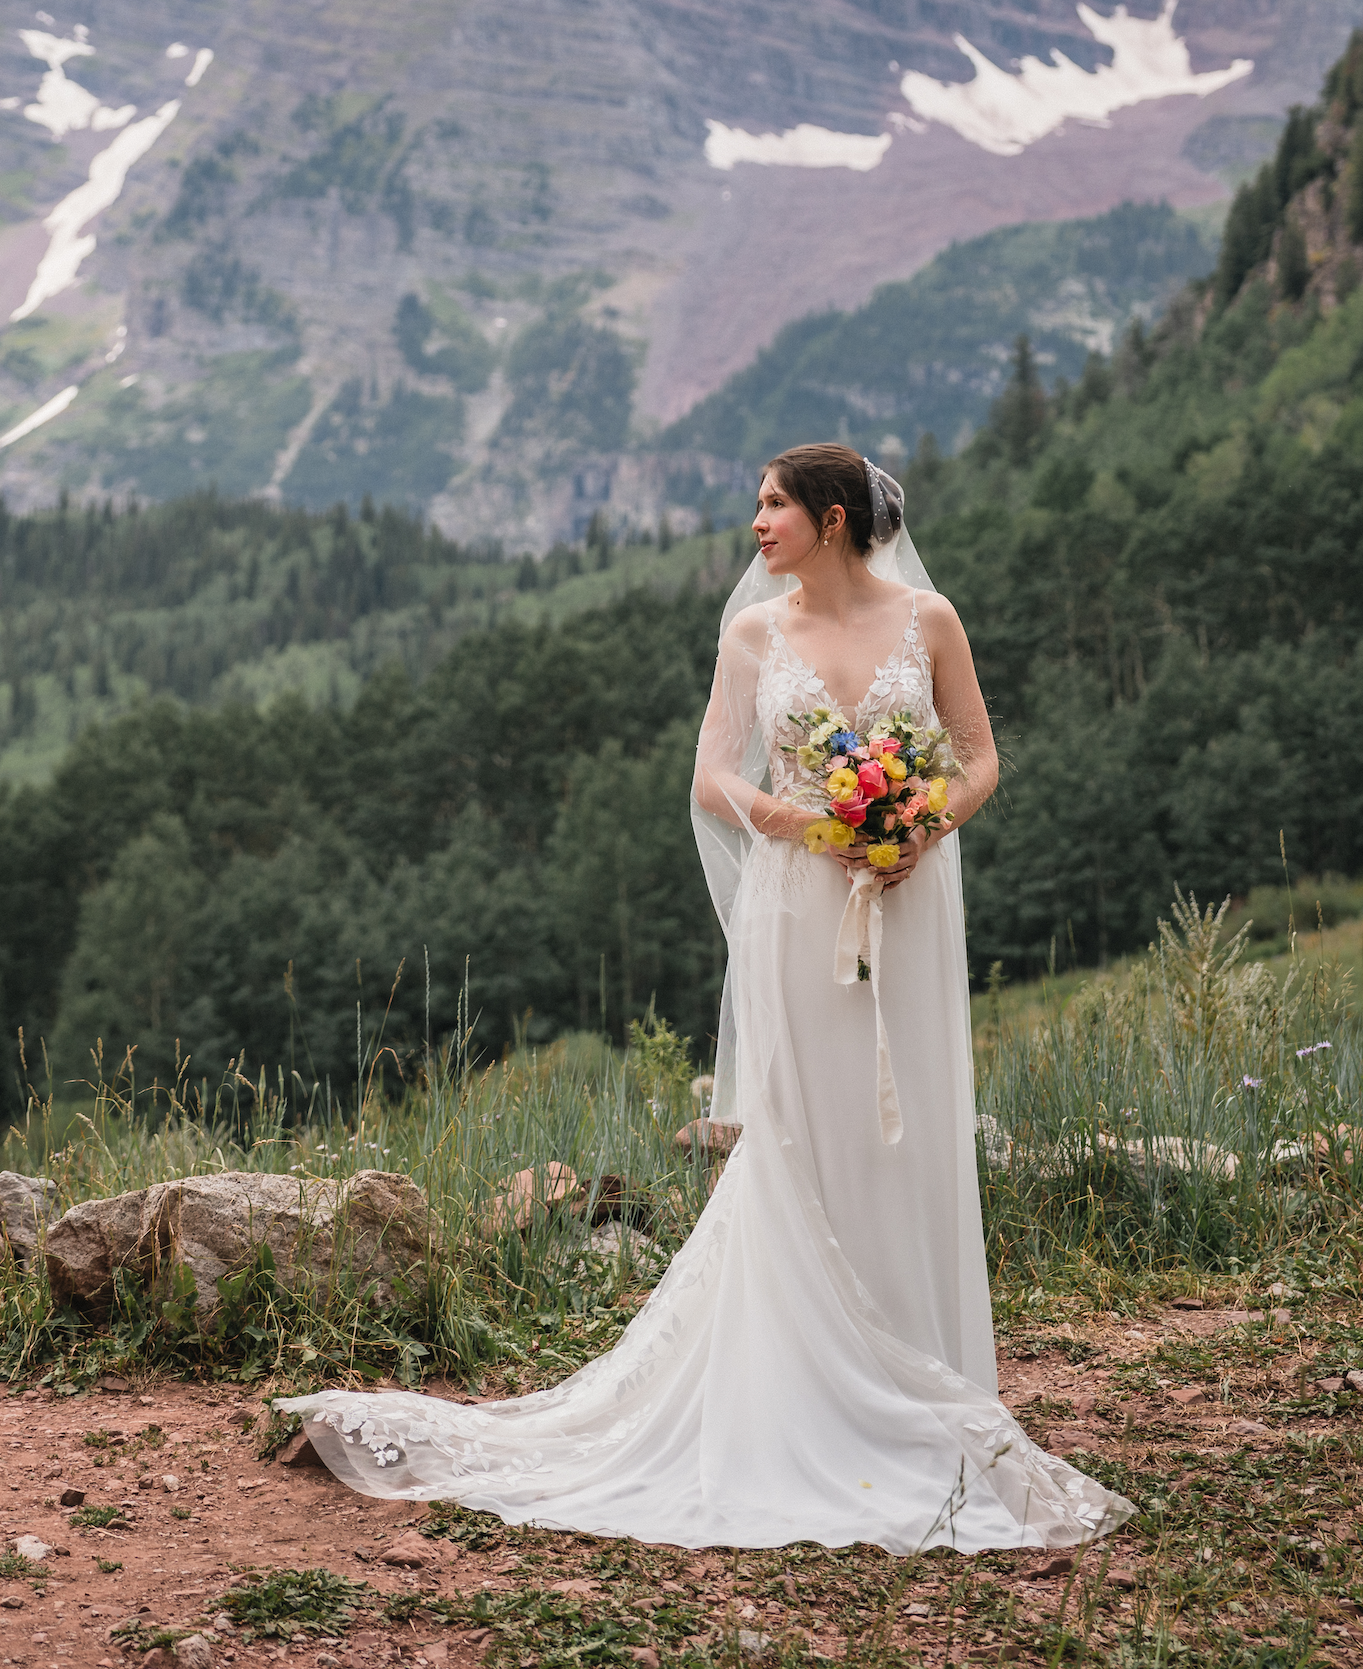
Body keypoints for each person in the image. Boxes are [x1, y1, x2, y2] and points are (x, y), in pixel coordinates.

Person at [277, 442, 1131, 1552]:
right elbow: (710, 774)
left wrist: (918, 824)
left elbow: (976, 756)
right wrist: (794, 820)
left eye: (772, 503)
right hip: (794, 908)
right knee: (801, 1130)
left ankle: (917, 1372)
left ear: (830, 517)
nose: (755, 523)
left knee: (903, 1123)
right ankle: (800, 1386)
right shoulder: (750, 633)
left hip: (901, 905)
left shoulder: (929, 621)